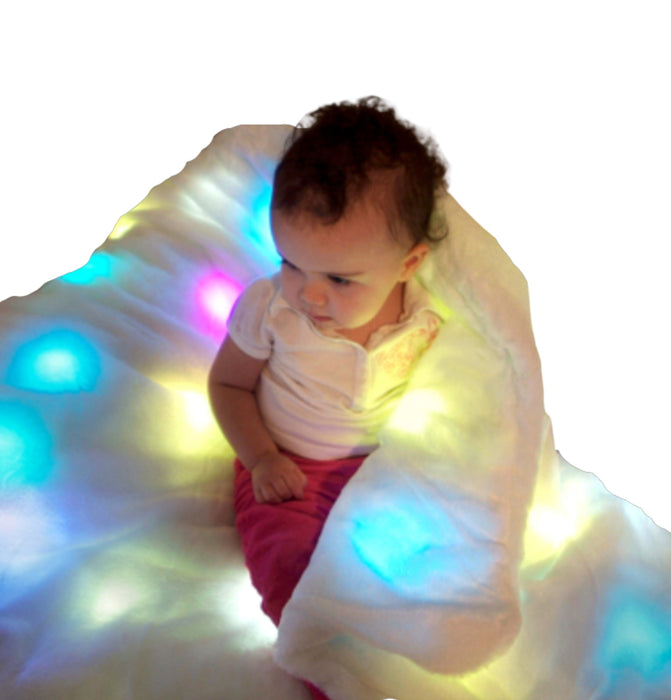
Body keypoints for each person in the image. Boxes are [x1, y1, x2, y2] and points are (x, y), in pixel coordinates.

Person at [208, 96, 448, 699]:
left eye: (339, 279)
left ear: (408, 263)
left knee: (419, 564)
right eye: (291, 263)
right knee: (288, 565)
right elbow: (228, 384)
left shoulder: (424, 320)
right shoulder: (271, 309)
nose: (309, 295)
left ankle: (401, 659)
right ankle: (334, 678)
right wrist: (261, 458)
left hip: (376, 471)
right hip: (286, 469)